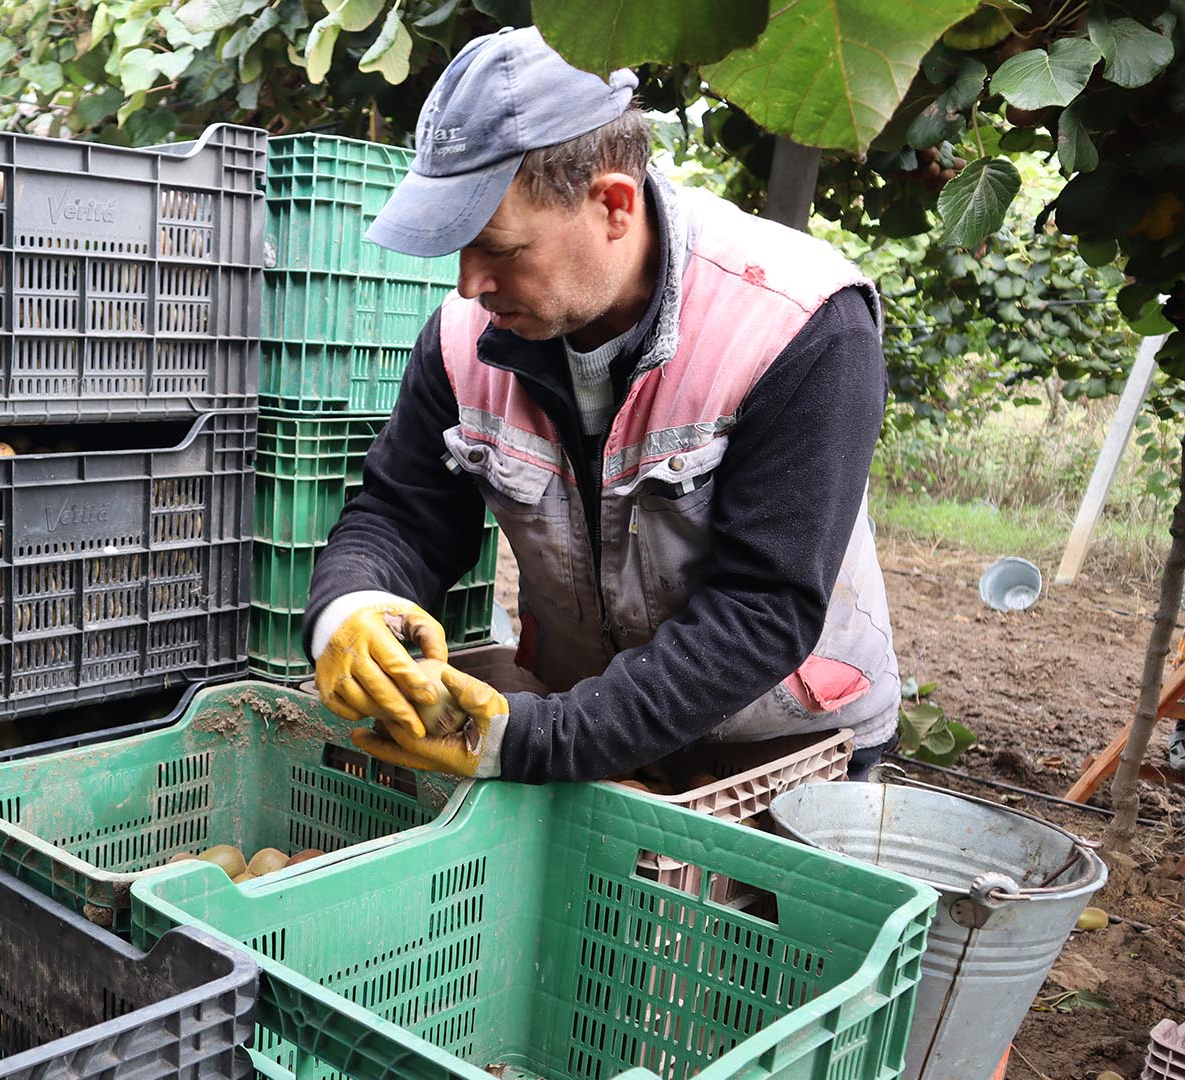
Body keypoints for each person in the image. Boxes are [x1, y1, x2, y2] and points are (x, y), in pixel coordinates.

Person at [306, 27, 900, 784]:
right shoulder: (464, 338)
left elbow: (762, 608)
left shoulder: (798, 323)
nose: (468, 285)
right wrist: (349, 608)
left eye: (499, 248)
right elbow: (404, 513)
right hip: (586, 723)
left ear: (613, 204)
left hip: (784, 748)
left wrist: (536, 742)